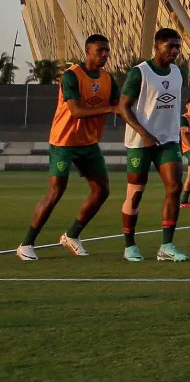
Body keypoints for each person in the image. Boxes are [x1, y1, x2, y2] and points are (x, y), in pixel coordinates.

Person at [16, 34, 117, 261]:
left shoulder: (108, 79)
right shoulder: (72, 76)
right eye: (100, 50)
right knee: (55, 192)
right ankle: (26, 243)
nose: (105, 55)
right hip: (64, 142)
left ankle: (72, 235)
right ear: (88, 52)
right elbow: (77, 111)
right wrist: (110, 110)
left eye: (107, 51)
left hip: (89, 143)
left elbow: (121, 104)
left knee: (102, 190)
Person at [117, 27, 188, 262]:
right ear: (157, 46)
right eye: (171, 46)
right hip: (140, 142)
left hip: (168, 141)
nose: (175, 51)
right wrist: (144, 133)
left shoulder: (177, 72)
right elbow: (123, 107)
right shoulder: (140, 73)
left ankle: (166, 246)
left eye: (178, 46)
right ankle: (130, 245)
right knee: (135, 193)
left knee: (175, 187)